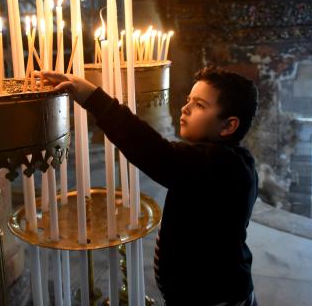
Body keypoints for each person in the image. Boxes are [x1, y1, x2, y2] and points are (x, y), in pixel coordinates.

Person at [40, 66, 259, 306]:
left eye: (199, 105)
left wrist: (91, 96)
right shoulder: (219, 161)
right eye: (188, 100)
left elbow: (155, 151)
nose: (185, 108)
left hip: (215, 297)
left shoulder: (222, 166)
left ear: (228, 126)